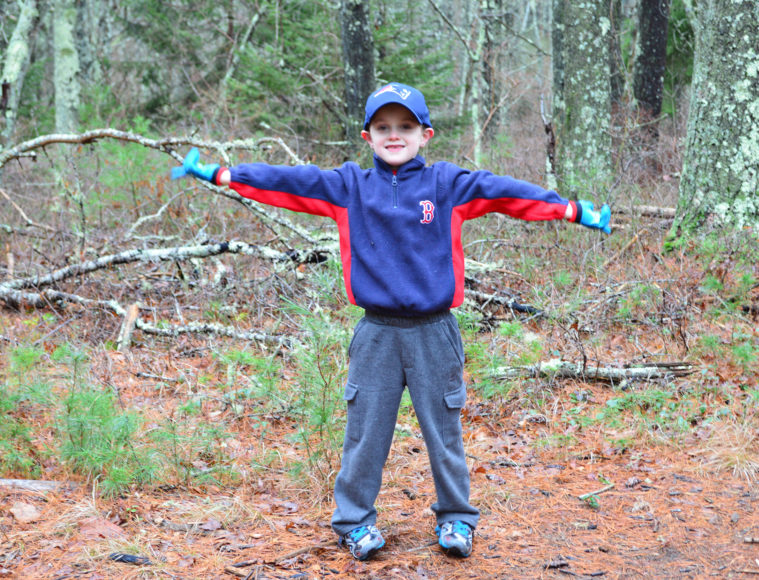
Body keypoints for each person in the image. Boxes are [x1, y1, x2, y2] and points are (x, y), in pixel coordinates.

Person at [173, 82, 611, 561]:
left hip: (434, 332)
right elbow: (289, 183)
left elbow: (505, 193)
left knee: (444, 433)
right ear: (368, 137)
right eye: (383, 127)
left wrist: (569, 209)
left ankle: (457, 520)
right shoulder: (349, 188)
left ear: (425, 134)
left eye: (405, 127)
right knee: (365, 434)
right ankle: (355, 523)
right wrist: (223, 174)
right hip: (376, 333)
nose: (394, 135)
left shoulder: (448, 186)